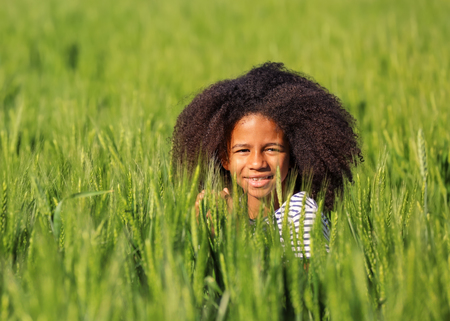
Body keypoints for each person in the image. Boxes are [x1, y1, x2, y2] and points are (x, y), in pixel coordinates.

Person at [172, 62, 362, 258]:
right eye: (243, 150)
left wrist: (239, 231)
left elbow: (309, 281)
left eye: (272, 149)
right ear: (225, 158)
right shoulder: (223, 211)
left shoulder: (301, 212)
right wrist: (200, 236)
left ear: (294, 153)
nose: (257, 163)